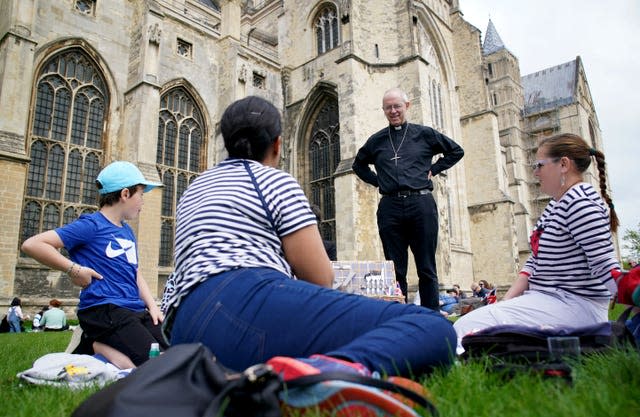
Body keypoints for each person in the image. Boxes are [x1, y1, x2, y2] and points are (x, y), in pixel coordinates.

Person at [161, 96, 456, 378]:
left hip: (184, 328)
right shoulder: (273, 180)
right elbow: (320, 278)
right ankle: (325, 374)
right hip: (245, 302)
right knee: (431, 327)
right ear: (277, 145)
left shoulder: (195, 188)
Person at [454, 133, 620, 352]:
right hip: (548, 300)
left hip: (575, 306)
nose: (535, 172)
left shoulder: (581, 204)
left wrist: (631, 294)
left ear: (563, 164)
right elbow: (534, 262)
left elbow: (604, 265)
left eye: (540, 165)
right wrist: (507, 302)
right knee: (467, 327)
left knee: (467, 329)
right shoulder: (556, 204)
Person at [21, 161, 168, 367]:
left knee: (174, 351)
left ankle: (96, 345)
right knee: (156, 364)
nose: (143, 201)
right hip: (105, 309)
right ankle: (97, 346)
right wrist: (74, 269)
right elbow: (33, 244)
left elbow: (134, 272)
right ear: (125, 194)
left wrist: (153, 306)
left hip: (134, 310)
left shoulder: (127, 231)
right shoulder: (91, 225)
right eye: (141, 195)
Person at [352, 87, 464, 310]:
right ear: (383, 110)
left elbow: (456, 151)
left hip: (421, 204)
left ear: (407, 106)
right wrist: (378, 182)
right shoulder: (376, 141)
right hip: (390, 207)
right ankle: (398, 315)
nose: (393, 111)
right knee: (395, 269)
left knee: (426, 267)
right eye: (388, 108)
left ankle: (431, 316)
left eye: (397, 106)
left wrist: (435, 168)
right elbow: (358, 165)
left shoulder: (424, 134)